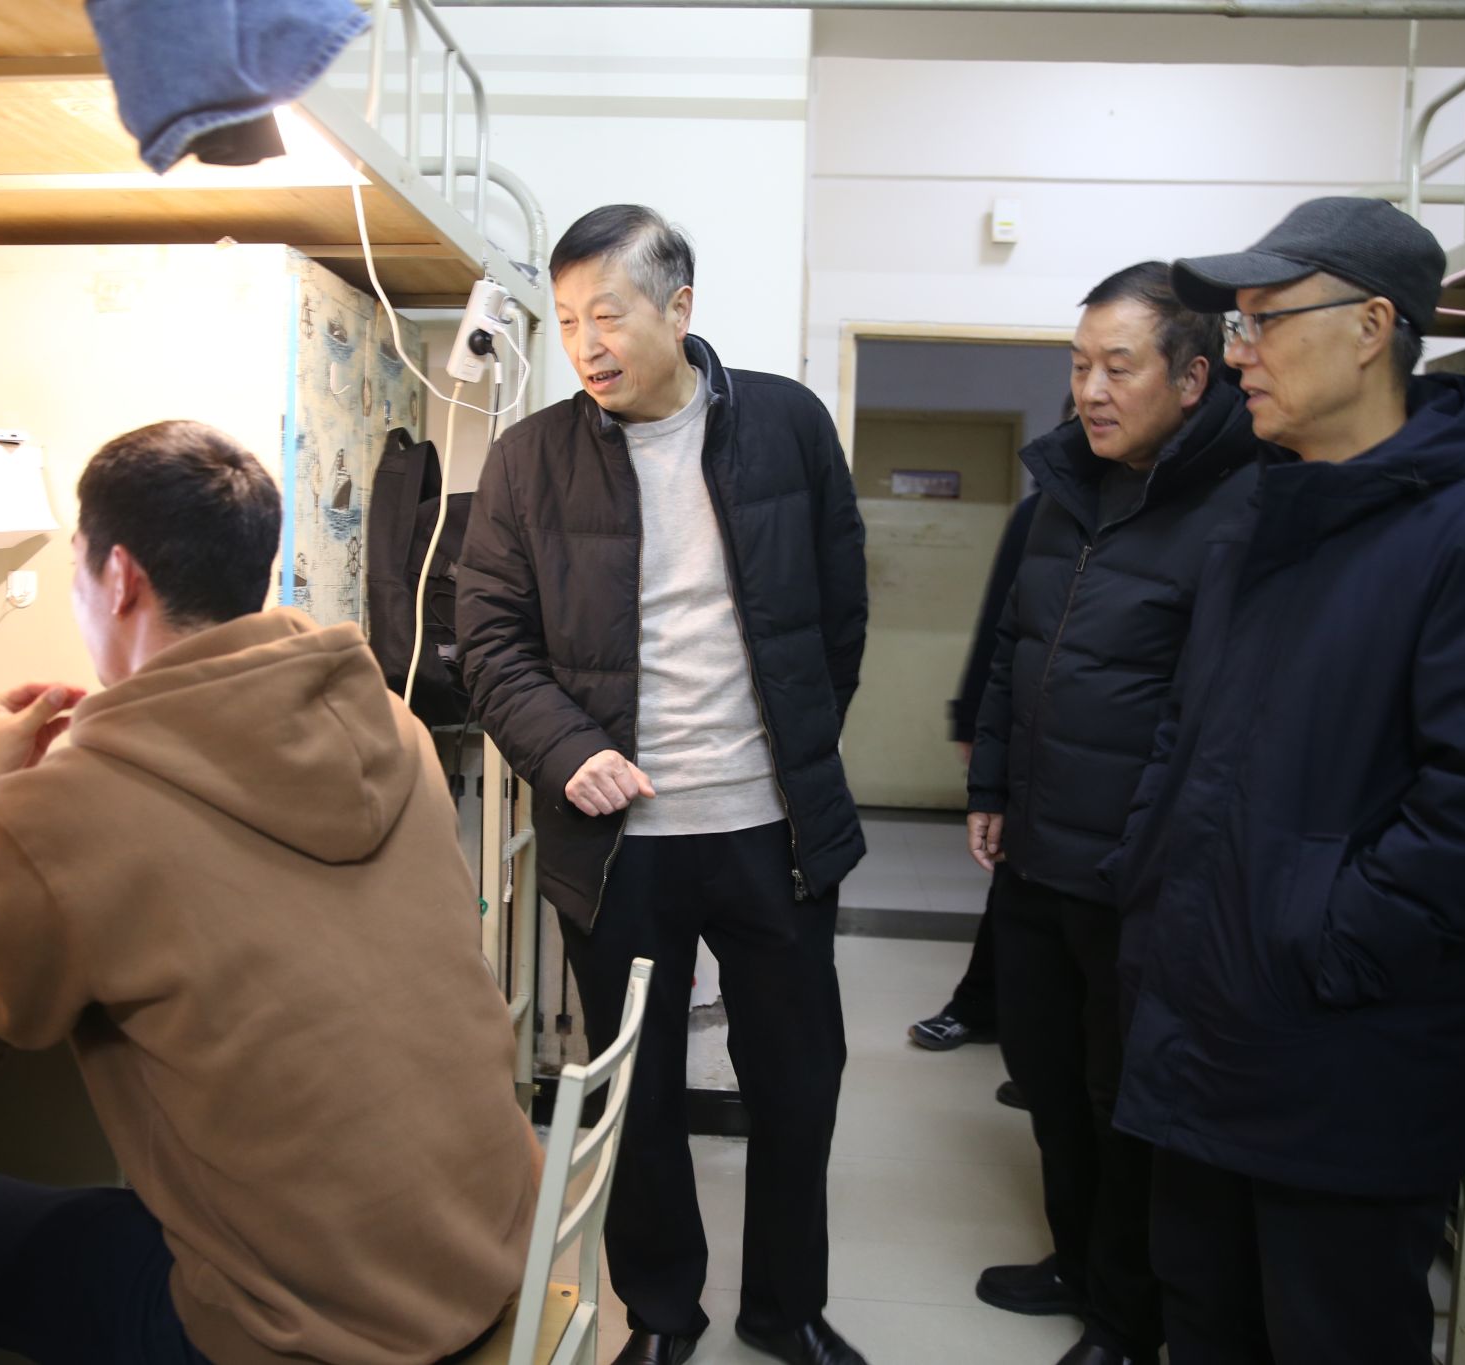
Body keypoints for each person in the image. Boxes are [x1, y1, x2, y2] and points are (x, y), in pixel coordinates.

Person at [0, 420, 537, 1365]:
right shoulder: (390, 724)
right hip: (479, 1258)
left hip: (307, 1335)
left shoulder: (69, 809)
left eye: (76, 566)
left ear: (118, 578)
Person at [1107, 198, 1465, 1364]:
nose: (1237, 353)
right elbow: (1186, 735)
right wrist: (1150, 883)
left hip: (1339, 1060)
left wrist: (1326, 942)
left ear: (1371, 327)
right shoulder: (1256, 519)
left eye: (1264, 321)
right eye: (1234, 324)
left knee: (1330, 1333)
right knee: (1201, 1321)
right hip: (1201, 1032)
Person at [457, 205, 868, 1365]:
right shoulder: (528, 458)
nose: (584, 345)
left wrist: (793, 747)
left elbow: (838, 609)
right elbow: (489, 642)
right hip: (619, 841)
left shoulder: (787, 425)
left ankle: (786, 1310)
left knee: (797, 1081)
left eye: (607, 316)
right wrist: (564, 749)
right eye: (565, 321)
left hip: (772, 829)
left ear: (677, 309)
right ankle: (659, 1314)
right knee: (633, 1094)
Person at [966, 263, 1265, 1365]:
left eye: (1117, 368)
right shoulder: (1063, 492)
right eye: (1079, 365)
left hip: (1140, 874)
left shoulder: (1242, 507)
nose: (1089, 391)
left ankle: (1127, 1321)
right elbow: (1016, 649)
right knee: (1045, 1079)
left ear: (1192, 378)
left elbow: (1217, 715)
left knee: (1121, 1099)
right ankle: (1077, 1263)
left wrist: (1147, 848)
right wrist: (992, 784)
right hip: (1039, 850)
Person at [907, 491, 1038, 1061]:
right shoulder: (1045, 511)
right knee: (1016, 879)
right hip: (1041, 743)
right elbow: (1001, 631)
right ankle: (979, 1008)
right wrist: (972, 719)